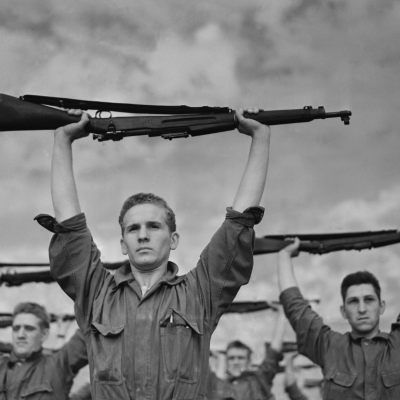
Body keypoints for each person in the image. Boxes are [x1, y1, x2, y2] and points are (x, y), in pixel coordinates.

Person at [36, 107, 271, 400]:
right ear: (123, 243)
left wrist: (260, 137)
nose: (143, 234)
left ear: (173, 239)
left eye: (154, 226)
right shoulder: (96, 294)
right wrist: (62, 140)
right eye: (133, 229)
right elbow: (70, 229)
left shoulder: (199, 294)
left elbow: (237, 224)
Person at [277, 238, 400, 400]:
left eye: (369, 300)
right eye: (353, 301)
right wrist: (284, 256)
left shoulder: (397, 345)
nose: (362, 309)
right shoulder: (330, 346)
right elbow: (295, 308)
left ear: (382, 306)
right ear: (343, 311)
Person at [0, 302, 88, 399]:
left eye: (29, 329)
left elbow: (91, 328)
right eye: (16, 328)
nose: (20, 335)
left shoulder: (58, 365)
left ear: (44, 335)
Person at [208, 305, 286, 400]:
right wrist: (221, 361)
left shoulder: (258, 379)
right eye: (231, 358)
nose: (236, 362)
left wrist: (282, 312)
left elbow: (274, 350)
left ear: (249, 360)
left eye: (241, 358)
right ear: (226, 362)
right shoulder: (220, 384)